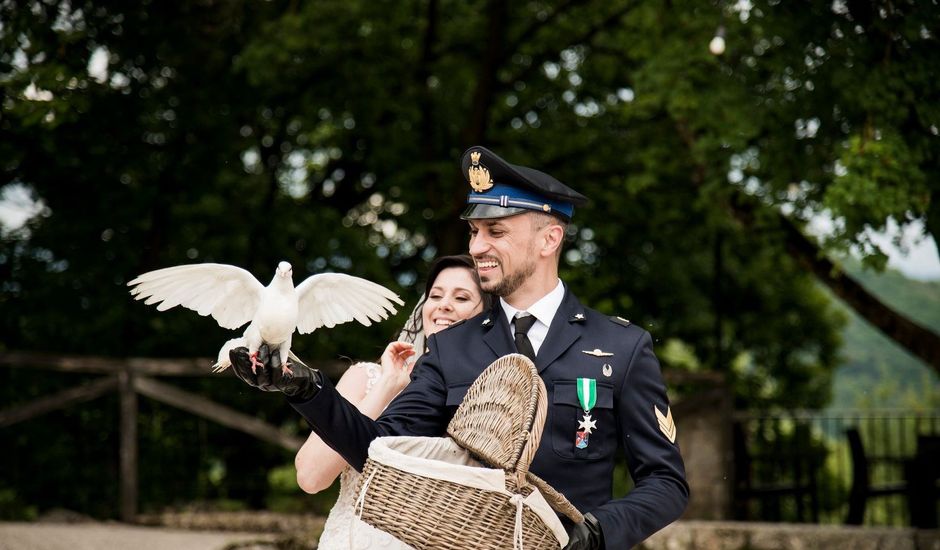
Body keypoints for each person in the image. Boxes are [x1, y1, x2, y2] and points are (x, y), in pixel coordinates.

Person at [231, 146, 689, 549]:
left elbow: (666, 481)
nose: (477, 246)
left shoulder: (621, 346)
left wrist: (600, 532)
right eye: (474, 232)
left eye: (496, 232)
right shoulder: (450, 347)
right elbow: (378, 448)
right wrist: (306, 388)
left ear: (550, 239)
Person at [294, 254, 491, 549]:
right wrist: (387, 385)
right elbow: (311, 477)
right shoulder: (367, 377)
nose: (443, 304)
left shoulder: (488, 397)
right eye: (435, 295)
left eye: (462, 298)